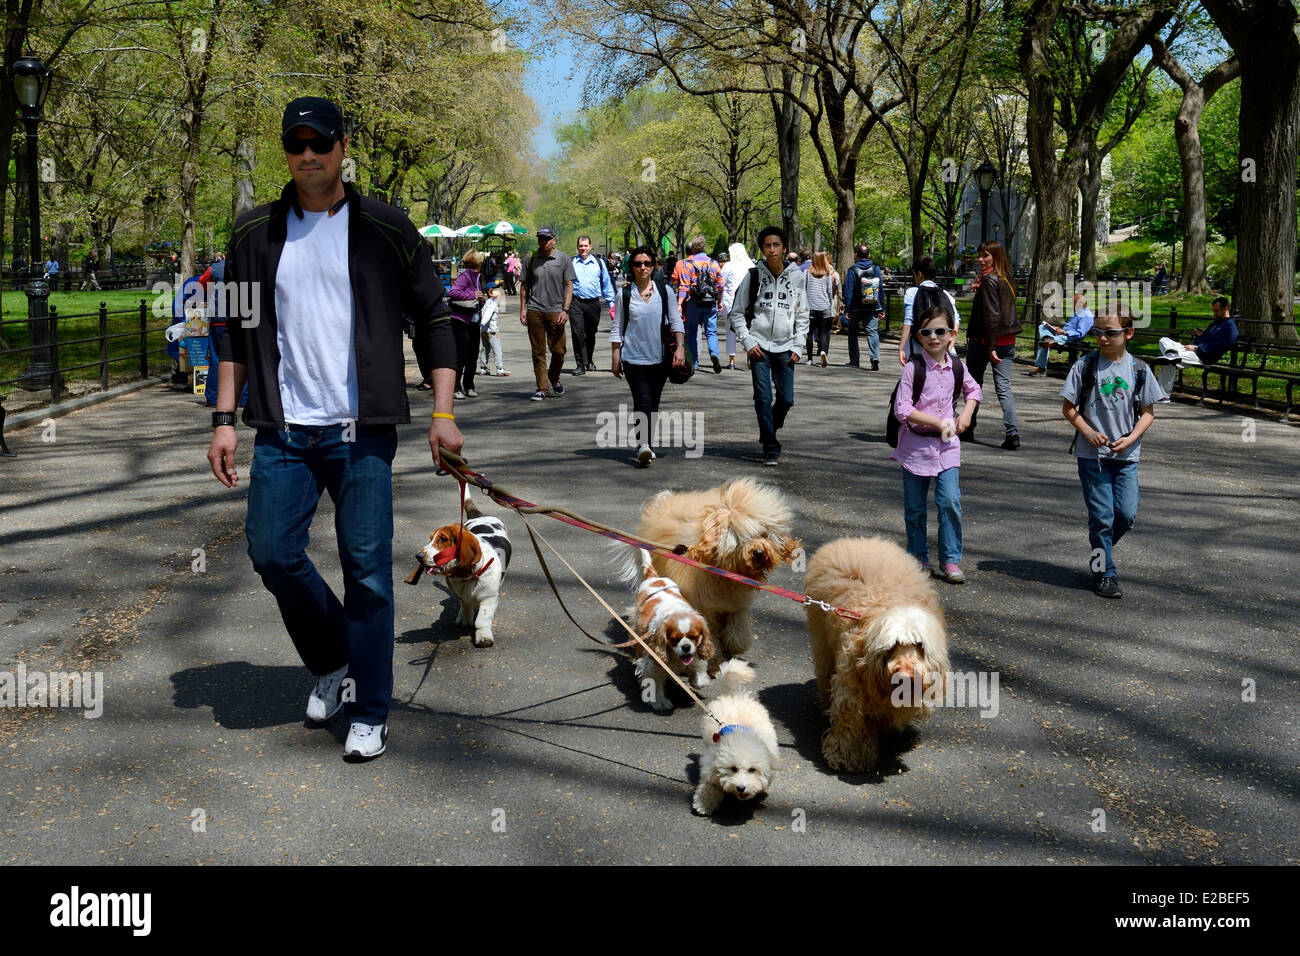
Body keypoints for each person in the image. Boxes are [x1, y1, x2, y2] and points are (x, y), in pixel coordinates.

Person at [207, 96, 462, 762]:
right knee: (271, 553)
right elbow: (229, 330)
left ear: (343, 147)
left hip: (361, 432)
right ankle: (332, 661)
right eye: (296, 145)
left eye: (320, 143)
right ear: (286, 152)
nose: (308, 155)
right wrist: (223, 421)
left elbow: (435, 318)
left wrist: (443, 414)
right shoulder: (251, 232)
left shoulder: (385, 227)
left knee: (369, 577)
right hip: (283, 431)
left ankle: (370, 709)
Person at [1060, 305, 1166, 599]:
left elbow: (1148, 412)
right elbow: (1068, 408)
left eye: (1110, 332)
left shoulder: (1139, 369)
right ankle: (1104, 573)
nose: (1103, 338)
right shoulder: (1084, 366)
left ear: (1128, 333)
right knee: (1102, 518)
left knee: (1126, 514)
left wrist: (1131, 437)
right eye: (1097, 332)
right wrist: (1089, 432)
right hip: (1091, 456)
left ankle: (1099, 545)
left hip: (1126, 457)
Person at [892, 306, 982, 583]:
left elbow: (974, 389)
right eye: (926, 332)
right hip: (915, 447)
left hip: (947, 447)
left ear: (952, 334)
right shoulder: (913, 368)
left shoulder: (957, 365)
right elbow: (902, 409)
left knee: (950, 501)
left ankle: (951, 559)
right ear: (918, 336)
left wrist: (966, 413)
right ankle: (918, 556)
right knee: (915, 508)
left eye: (940, 331)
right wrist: (935, 421)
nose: (933, 337)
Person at [731, 225, 809, 466]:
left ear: (784, 248)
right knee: (763, 398)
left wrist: (799, 345)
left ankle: (768, 430)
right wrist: (748, 340)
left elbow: (803, 315)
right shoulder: (753, 276)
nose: (772, 250)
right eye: (767, 245)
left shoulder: (796, 276)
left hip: (786, 347)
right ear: (762, 249)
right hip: (760, 346)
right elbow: (736, 312)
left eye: (776, 245)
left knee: (786, 399)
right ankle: (770, 447)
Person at [610, 245, 687, 466]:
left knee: (652, 404)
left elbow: (675, 321)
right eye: (637, 264)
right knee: (642, 400)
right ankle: (642, 445)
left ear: (653, 266)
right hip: (633, 358)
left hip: (660, 357)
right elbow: (617, 327)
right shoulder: (624, 293)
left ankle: (647, 444)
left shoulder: (665, 291)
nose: (642, 267)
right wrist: (615, 354)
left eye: (647, 263)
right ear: (631, 267)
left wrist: (680, 347)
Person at [963, 240, 1022, 449]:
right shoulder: (1006, 279)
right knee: (1004, 388)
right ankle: (1012, 433)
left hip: (986, 342)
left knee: (973, 385)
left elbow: (992, 316)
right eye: (980, 255)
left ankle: (967, 427)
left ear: (996, 256)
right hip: (1007, 341)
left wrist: (990, 346)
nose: (980, 259)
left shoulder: (989, 280)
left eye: (985, 255)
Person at [518, 226, 575, 401]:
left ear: (553, 240)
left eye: (546, 239)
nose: (543, 242)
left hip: (556, 311)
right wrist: (523, 309)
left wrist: (565, 310)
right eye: (540, 239)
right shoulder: (531, 258)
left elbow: (569, 286)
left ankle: (554, 377)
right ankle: (542, 388)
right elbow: (524, 285)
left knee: (559, 350)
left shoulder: (563, 259)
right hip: (535, 310)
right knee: (538, 351)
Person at [673, 235, 724, 372]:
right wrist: (719, 301)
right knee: (711, 332)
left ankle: (693, 363)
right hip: (710, 302)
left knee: (691, 333)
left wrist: (679, 304)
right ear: (705, 247)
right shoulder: (714, 263)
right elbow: (720, 285)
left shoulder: (687, 265)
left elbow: (684, 286)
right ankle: (714, 354)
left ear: (693, 248)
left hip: (693, 303)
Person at [899, 256, 959, 365]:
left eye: (914, 275)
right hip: (942, 352)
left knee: (913, 381)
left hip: (919, 351)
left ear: (919, 274)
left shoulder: (912, 292)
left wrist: (901, 348)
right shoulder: (946, 295)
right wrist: (948, 348)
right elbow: (956, 322)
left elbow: (908, 323)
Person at [570, 235, 615, 375]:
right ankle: (580, 364)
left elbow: (606, 284)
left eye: (585, 246)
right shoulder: (571, 262)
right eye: (580, 246)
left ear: (590, 247)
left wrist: (611, 303)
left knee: (590, 333)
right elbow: (564, 283)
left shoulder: (599, 263)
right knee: (577, 333)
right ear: (577, 247)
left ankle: (589, 360)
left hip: (594, 303)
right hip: (576, 302)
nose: (583, 248)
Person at [447, 248, 486, 398]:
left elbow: (476, 299)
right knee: (461, 355)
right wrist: (473, 294)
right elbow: (453, 292)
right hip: (460, 320)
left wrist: (481, 300)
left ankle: (469, 385)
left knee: (473, 354)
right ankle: (456, 387)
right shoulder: (465, 275)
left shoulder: (479, 277)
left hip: (474, 320)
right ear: (477, 262)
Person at [1159, 296, 1237, 367]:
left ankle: (1171, 356)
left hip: (1202, 357)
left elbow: (1219, 346)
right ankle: (1171, 355)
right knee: (1164, 340)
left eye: (1216, 311)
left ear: (1225, 309)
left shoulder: (1230, 327)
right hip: (1192, 349)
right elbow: (1209, 338)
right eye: (1213, 311)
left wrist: (1196, 348)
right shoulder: (1216, 322)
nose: (1214, 314)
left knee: (1169, 361)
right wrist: (1201, 335)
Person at [843, 243, 884, 369]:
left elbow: (848, 291)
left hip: (856, 307)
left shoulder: (852, 270)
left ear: (856, 255)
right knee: (872, 332)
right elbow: (880, 289)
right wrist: (881, 307)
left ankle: (854, 361)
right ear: (869, 255)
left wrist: (847, 309)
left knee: (853, 333)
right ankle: (874, 357)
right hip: (872, 306)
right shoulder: (875, 268)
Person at [1032, 292, 1094, 375]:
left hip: (1071, 339)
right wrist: (1057, 329)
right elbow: (1068, 327)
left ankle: (1041, 367)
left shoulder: (1086, 315)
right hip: (1062, 335)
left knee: (1043, 342)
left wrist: (1064, 332)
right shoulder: (1078, 312)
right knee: (1042, 327)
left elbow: (1079, 333)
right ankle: (1050, 339)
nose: (1072, 305)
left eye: (1074, 303)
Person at [718, 241, 753, 370]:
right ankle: (750, 354)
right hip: (747, 303)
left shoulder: (728, 266)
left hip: (730, 302)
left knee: (730, 331)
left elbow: (721, 283)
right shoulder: (751, 265)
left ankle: (732, 360)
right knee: (748, 331)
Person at [803, 252, 841, 368]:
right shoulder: (827, 274)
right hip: (824, 306)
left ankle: (809, 358)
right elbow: (830, 291)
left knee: (809, 332)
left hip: (810, 307)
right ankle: (823, 351)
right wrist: (829, 303)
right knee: (824, 331)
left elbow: (803, 288)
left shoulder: (807, 273)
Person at [478, 285, 510, 377]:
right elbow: (487, 314)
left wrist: (481, 326)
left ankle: (483, 369)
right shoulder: (493, 303)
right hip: (492, 331)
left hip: (484, 331)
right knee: (497, 350)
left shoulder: (486, 302)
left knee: (485, 349)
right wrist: (483, 323)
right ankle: (500, 369)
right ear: (491, 293)